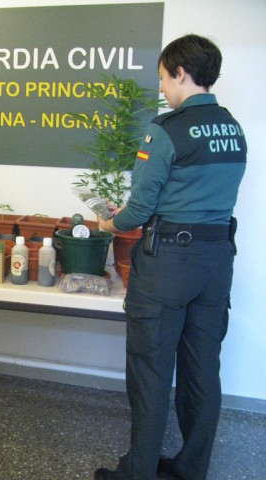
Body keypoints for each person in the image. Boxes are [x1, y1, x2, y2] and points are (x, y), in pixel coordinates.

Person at [94, 34, 247, 480]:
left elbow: (138, 212)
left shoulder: (164, 131)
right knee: (202, 372)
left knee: (151, 373)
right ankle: (189, 471)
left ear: (182, 73)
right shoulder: (233, 129)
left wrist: (108, 224)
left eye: (163, 78)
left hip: (167, 267)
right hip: (216, 263)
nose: (162, 88)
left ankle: (137, 474)